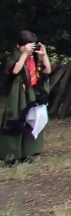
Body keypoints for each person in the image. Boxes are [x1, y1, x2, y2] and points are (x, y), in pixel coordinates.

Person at [1, 31, 51, 165]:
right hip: (17, 95)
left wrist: (44, 55)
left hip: (32, 94)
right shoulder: (13, 57)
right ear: (18, 45)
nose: (29, 49)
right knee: (14, 121)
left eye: (31, 46)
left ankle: (29, 154)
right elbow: (14, 70)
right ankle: (11, 157)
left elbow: (47, 70)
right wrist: (24, 54)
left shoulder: (33, 57)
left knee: (32, 122)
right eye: (26, 46)